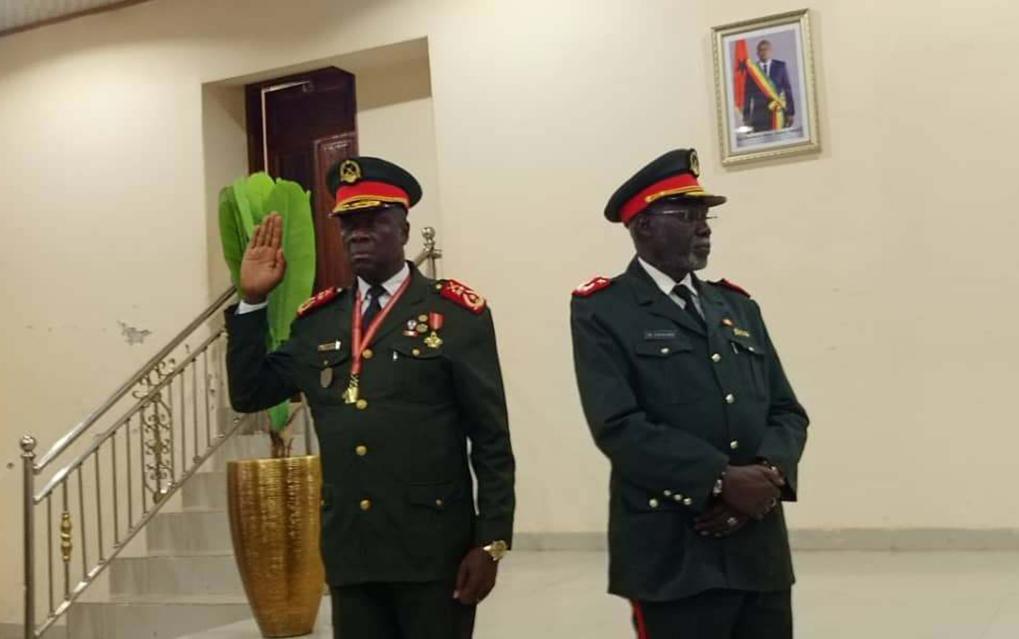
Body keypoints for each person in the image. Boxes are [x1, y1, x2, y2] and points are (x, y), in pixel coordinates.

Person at [225, 156, 515, 639]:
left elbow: (491, 440)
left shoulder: (456, 315)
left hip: (433, 550)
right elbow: (250, 392)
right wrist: (253, 302)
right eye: (348, 223)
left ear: (404, 228)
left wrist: (491, 542)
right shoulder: (319, 321)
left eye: (374, 220)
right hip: (352, 552)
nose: (358, 234)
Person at [570, 148, 809, 639]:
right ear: (643, 226)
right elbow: (618, 426)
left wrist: (765, 478)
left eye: (705, 216)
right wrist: (720, 480)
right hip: (673, 549)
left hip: (757, 546)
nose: (704, 228)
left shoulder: (738, 307)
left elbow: (787, 411)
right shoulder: (604, 310)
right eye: (687, 216)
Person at [743, 39, 796, 131]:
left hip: (778, 111)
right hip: (759, 114)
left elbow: (787, 89)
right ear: (757, 53)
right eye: (761, 50)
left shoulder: (780, 66)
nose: (763, 52)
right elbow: (748, 95)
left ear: (771, 51)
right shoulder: (752, 70)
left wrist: (790, 113)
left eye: (766, 49)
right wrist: (746, 116)